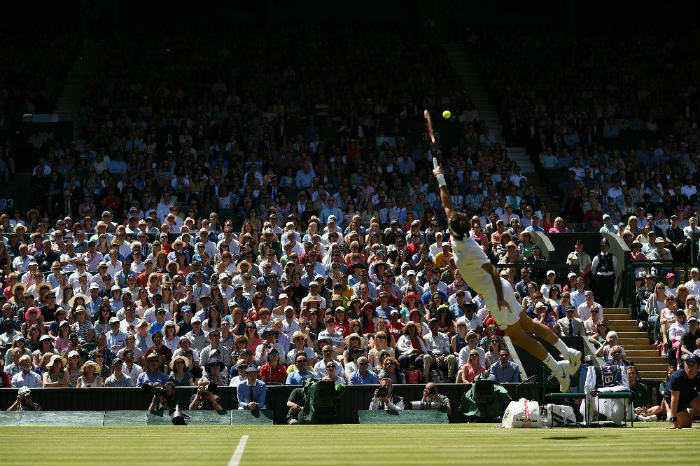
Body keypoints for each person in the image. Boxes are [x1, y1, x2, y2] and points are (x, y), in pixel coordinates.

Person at [432, 163, 580, 391]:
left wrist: (499, 298)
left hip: (496, 292)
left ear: (454, 229)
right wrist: (440, 177)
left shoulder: (468, 247)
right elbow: (447, 203)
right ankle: (567, 352)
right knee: (528, 323)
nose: (448, 219)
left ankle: (556, 368)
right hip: (502, 287)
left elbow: (491, 269)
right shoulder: (458, 231)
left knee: (519, 337)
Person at [664, 354, 700, 429]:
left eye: (692, 365)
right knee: (686, 424)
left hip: (689, 393)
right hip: (673, 397)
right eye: (687, 364)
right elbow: (674, 400)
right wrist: (674, 421)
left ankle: (689, 412)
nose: (689, 367)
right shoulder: (677, 377)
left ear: (698, 367)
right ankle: (682, 414)